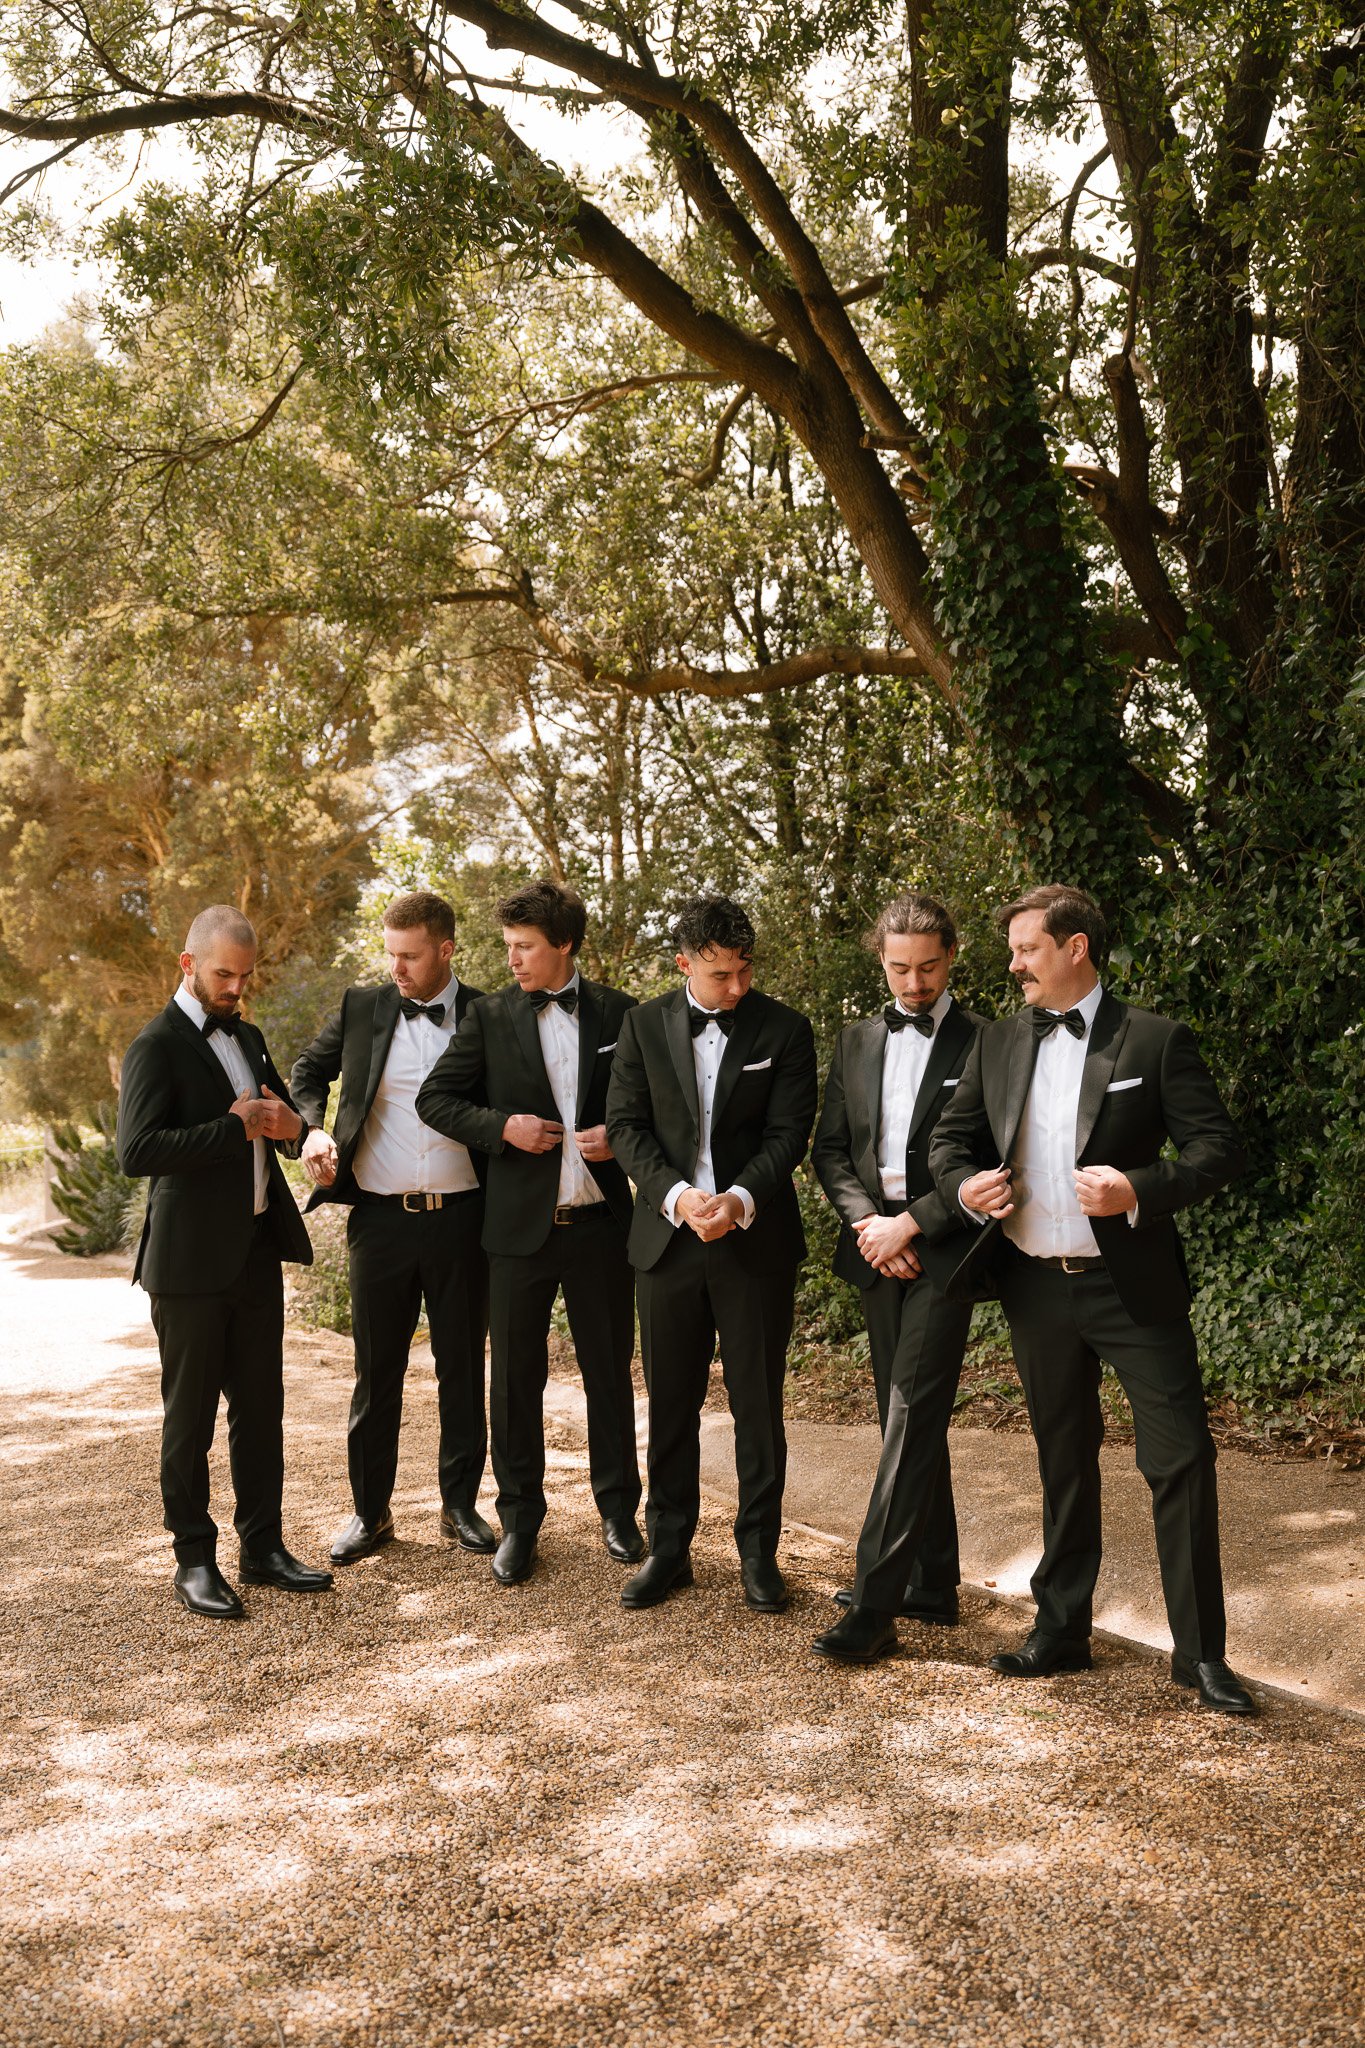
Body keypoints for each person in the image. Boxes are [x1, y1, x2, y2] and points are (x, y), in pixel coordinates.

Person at [929, 885, 1256, 1715]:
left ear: (1074, 948)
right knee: (1060, 1459)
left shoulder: (1153, 1039)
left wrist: (1138, 1188)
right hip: (1032, 1286)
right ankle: (1061, 1628)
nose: (1012, 965)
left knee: (1179, 1460)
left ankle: (1200, 1654)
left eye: (1026, 949)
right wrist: (965, 1186)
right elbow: (948, 1140)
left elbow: (1217, 1151)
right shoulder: (999, 1042)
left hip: (1130, 1286)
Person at [416, 879, 641, 1586]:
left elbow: (658, 1107)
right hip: (516, 1232)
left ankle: (618, 1512)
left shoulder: (621, 1014)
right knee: (515, 1382)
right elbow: (436, 1099)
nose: (511, 960)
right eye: (507, 947)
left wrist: (623, 1138)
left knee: (608, 1373)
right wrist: (501, 1129)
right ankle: (520, 1522)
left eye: (524, 947)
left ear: (564, 944)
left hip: (601, 1226)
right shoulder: (487, 1018)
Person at [116, 905, 332, 1619]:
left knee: (261, 1411)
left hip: (254, 1254)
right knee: (191, 1420)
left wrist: (294, 1130)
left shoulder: (251, 1035)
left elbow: (280, 1122)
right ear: (188, 965)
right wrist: (228, 1128)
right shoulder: (155, 1045)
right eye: (222, 974)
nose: (235, 987)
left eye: (243, 975)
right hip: (186, 1268)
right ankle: (194, 1560)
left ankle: (262, 1548)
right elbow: (136, 1152)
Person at [604, 895, 818, 1613]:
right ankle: (668, 1549)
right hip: (666, 1242)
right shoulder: (640, 1025)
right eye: (720, 974)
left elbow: (788, 1134)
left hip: (753, 1239)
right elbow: (625, 1128)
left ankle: (759, 1554)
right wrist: (674, 1197)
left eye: (744, 970)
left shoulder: (785, 1029)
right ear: (684, 964)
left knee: (757, 1404)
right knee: (670, 1404)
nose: (737, 988)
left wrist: (736, 1200)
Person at [808, 891, 987, 1664]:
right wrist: (870, 1229)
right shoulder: (853, 1040)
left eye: (928, 968)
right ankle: (932, 1583)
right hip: (874, 1246)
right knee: (901, 1416)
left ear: (951, 957)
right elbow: (830, 1151)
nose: (914, 984)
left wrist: (913, 1223)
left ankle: (875, 1603)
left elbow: (990, 1159)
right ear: (879, 961)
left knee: (911, 1413)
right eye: (898, 969)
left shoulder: (991, 1042)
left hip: (945, 1247)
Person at [290, 892, 492, 1566]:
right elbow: (307, 1073)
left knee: (461, 1369)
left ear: (445, 950)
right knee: (376, 1374)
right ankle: (369, 1513)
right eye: (390, 955)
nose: (397, 968)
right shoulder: (362, 1008)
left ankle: (459, 1507)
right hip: (378, 1222)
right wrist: (311, 1129)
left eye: (410, 956)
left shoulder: (489, 1014)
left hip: (464, 1218)